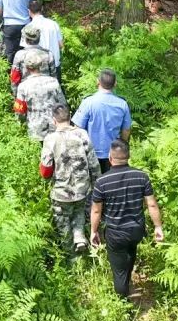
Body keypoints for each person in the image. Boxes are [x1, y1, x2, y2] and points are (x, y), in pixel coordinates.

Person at [90, 139, 165, 299]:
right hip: (136, 230)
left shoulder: (101, 182)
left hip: (116, 233)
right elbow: (151, 204)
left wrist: (93, 231)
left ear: (110, 158)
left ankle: (122, 301)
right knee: (130, 252)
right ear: (128, 156)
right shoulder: (141, 177)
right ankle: (126, 280)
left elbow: (96, 211)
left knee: (119, 271)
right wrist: (158, 227)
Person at [40, 105, 100, 257]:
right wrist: (96, 183)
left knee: (63, 221)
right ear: (70, 116)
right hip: (82, 188)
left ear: (54, 120)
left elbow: (46, 169)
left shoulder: (50, 139)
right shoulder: (82, 134)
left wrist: (47, 178)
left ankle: (72, 256)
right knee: (79, 211)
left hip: (61, 191)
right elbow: (93, 163)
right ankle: (79, 236)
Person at [73, 68, 132, 173]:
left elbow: (77, 128)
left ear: (97, 82)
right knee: (110, 183)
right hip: (113, 153)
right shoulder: (122, 104)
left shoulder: (88, 102)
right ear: (115, 84)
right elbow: (126, 130)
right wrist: (122, 148)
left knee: (93, 184)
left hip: (90, 152)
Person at [14, 58, 67, 141]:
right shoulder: (53, 81)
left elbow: (19, 110)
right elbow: (63, 104)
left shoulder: (23, 86)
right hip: (54, 126)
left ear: (27, 68)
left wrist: (20, 123)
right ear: (41, 66)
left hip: (35, 129)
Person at [10, 25, 53, 94]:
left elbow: (15, 77)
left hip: (26, 92)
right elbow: (53, 76)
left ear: (26, 39)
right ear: (39, 38)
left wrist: (16, 95)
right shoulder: (48, 54)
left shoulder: (20, 55)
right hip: (46, 93)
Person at [28, 0, 63, 78]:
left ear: (29, 11)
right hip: (54, 63)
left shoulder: (28, 27)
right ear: (42, 8)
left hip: (37, 66)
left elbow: (27, 49)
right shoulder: (54, 24)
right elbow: (61, 45)